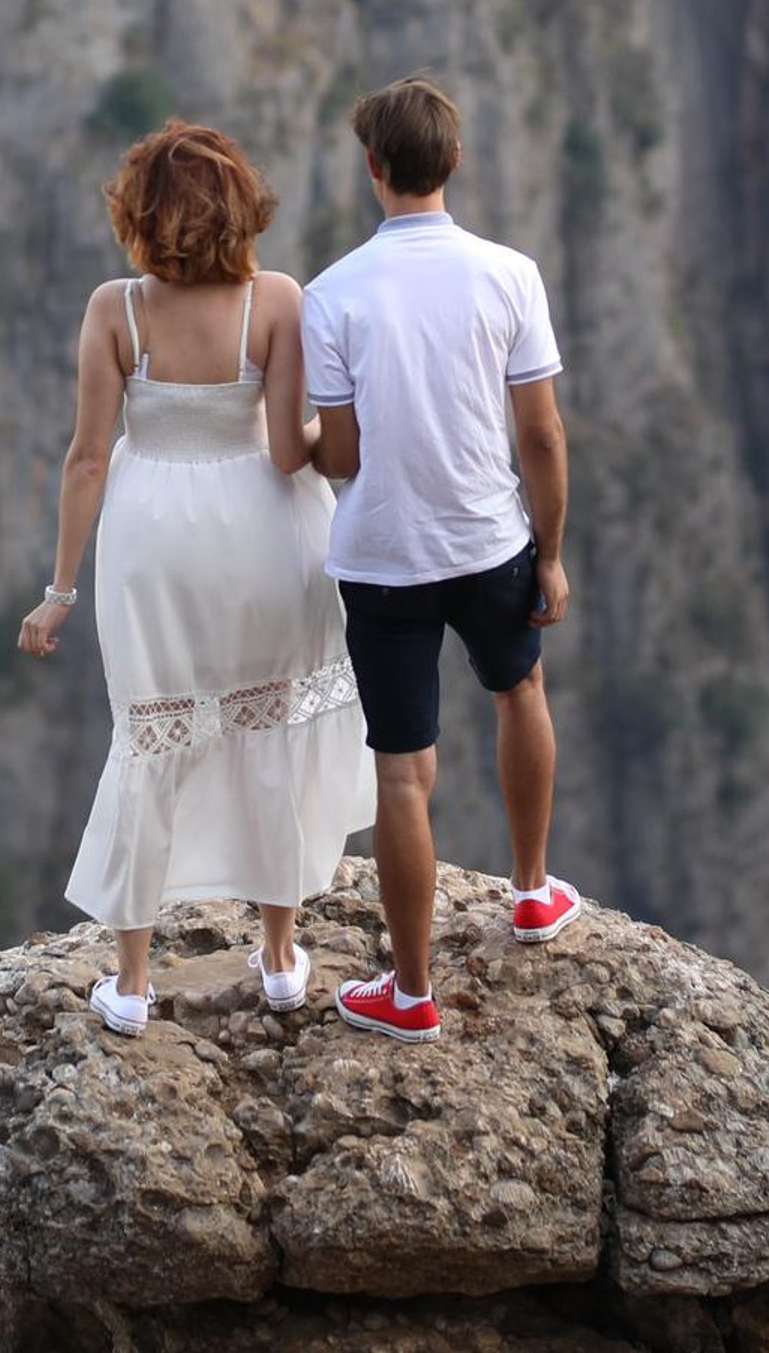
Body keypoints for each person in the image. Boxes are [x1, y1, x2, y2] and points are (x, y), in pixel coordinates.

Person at [19, 120, 375, 1036]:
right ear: (239, 209)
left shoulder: (114, 310)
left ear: (139, 216)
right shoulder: (278, 300)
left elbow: (87, 460)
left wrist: (59, 591)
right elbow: (298, 450)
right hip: (265, 526)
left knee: (151, 735)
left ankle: (132, 982)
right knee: (271, 719)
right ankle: (284, 957)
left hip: (152, 543)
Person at [301, 74, 579, 1044]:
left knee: (400, 770)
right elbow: (538, 435)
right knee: (518, 690)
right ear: (453, 162)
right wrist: (549, 552)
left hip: (381, 558)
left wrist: (299, 436)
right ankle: (534, 891)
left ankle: (410, 991)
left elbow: (341, 457)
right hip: (488, 539)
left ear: (373, 168)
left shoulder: (331, 294)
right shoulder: (509, 274)